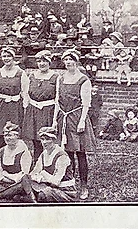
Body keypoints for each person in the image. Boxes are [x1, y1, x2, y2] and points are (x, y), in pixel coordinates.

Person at [52, 48, 96, 200]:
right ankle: (70, 183)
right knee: (67, 152)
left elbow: (86, 103)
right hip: (63, 117)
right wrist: (54, 121)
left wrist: (82, 120)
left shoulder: (83, 79)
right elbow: (57, 100)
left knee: (80, 153)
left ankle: (83, 185)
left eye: (71, 59)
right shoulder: (60, 78)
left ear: (76, 61)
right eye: (66, 60)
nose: (68, 62)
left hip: (77, 117)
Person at [0, 47, 28, 148]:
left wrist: (25, 106)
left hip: (15, 105)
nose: (6, 58)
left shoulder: (20, 73)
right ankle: (1, 158)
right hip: (0, 105)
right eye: (4, 56)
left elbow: (25, 91)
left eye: (9, 56)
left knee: (14, 132)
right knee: (1, 133)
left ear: (13, 57)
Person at [21, 50, 59, 159]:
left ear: (49, 62)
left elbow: (57, 96)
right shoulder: (32, 76)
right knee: (36, 142)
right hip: (33, 110)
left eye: (45, 61)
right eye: (39, 61)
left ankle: (50, 163)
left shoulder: (55, 77)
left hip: (48, 110)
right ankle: (37, 163)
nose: (42, 64)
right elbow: (26, 92)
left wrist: (55, 117)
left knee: (48, 139)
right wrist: (27, 106)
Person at [24, 126, 77, 202]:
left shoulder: (61, 156)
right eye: (42, 139)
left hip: (65, 191)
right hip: (48, 186)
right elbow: (34, 172)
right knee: (25, 179)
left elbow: (56, 182)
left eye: (48, 139)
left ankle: (31, 199)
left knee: (43, 194)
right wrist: (38, 178)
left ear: (54, 140)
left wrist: (43, 173)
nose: (44, 142)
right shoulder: (44, 154)